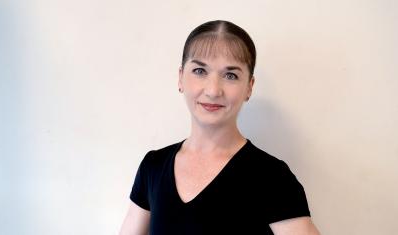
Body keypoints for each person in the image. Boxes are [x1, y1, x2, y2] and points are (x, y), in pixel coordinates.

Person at [119, 20, 320, 235]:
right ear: (180, 78)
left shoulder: (271, 177)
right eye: (199, 71)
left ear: (249, 87)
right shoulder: (153, 167)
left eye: (230, 75)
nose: (213, 90)